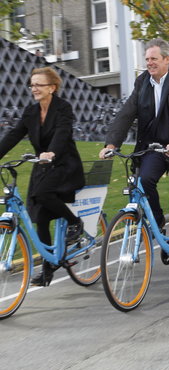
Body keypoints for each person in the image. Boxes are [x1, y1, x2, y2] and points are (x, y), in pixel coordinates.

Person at [99, 38, 169, 278]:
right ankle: (158, 222)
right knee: (143, 183)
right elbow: (126, 114)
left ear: (167, 59)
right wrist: (111, 143)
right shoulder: (143, 83)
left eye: (154, 59)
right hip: (153, 148)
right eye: (147, 59)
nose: (149, 63)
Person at [0, 67, 85, 286]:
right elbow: (14, 134)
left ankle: (75, 223)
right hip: (43, 167)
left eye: (39, 84)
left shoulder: (63, 108)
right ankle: (48, 271)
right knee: (41, 217)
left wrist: (52, 152)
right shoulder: (30, 111)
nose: (34, 89)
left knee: (43, 194)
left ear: (52, 87)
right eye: (32, 85)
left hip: (64, 164)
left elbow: (62, 133)